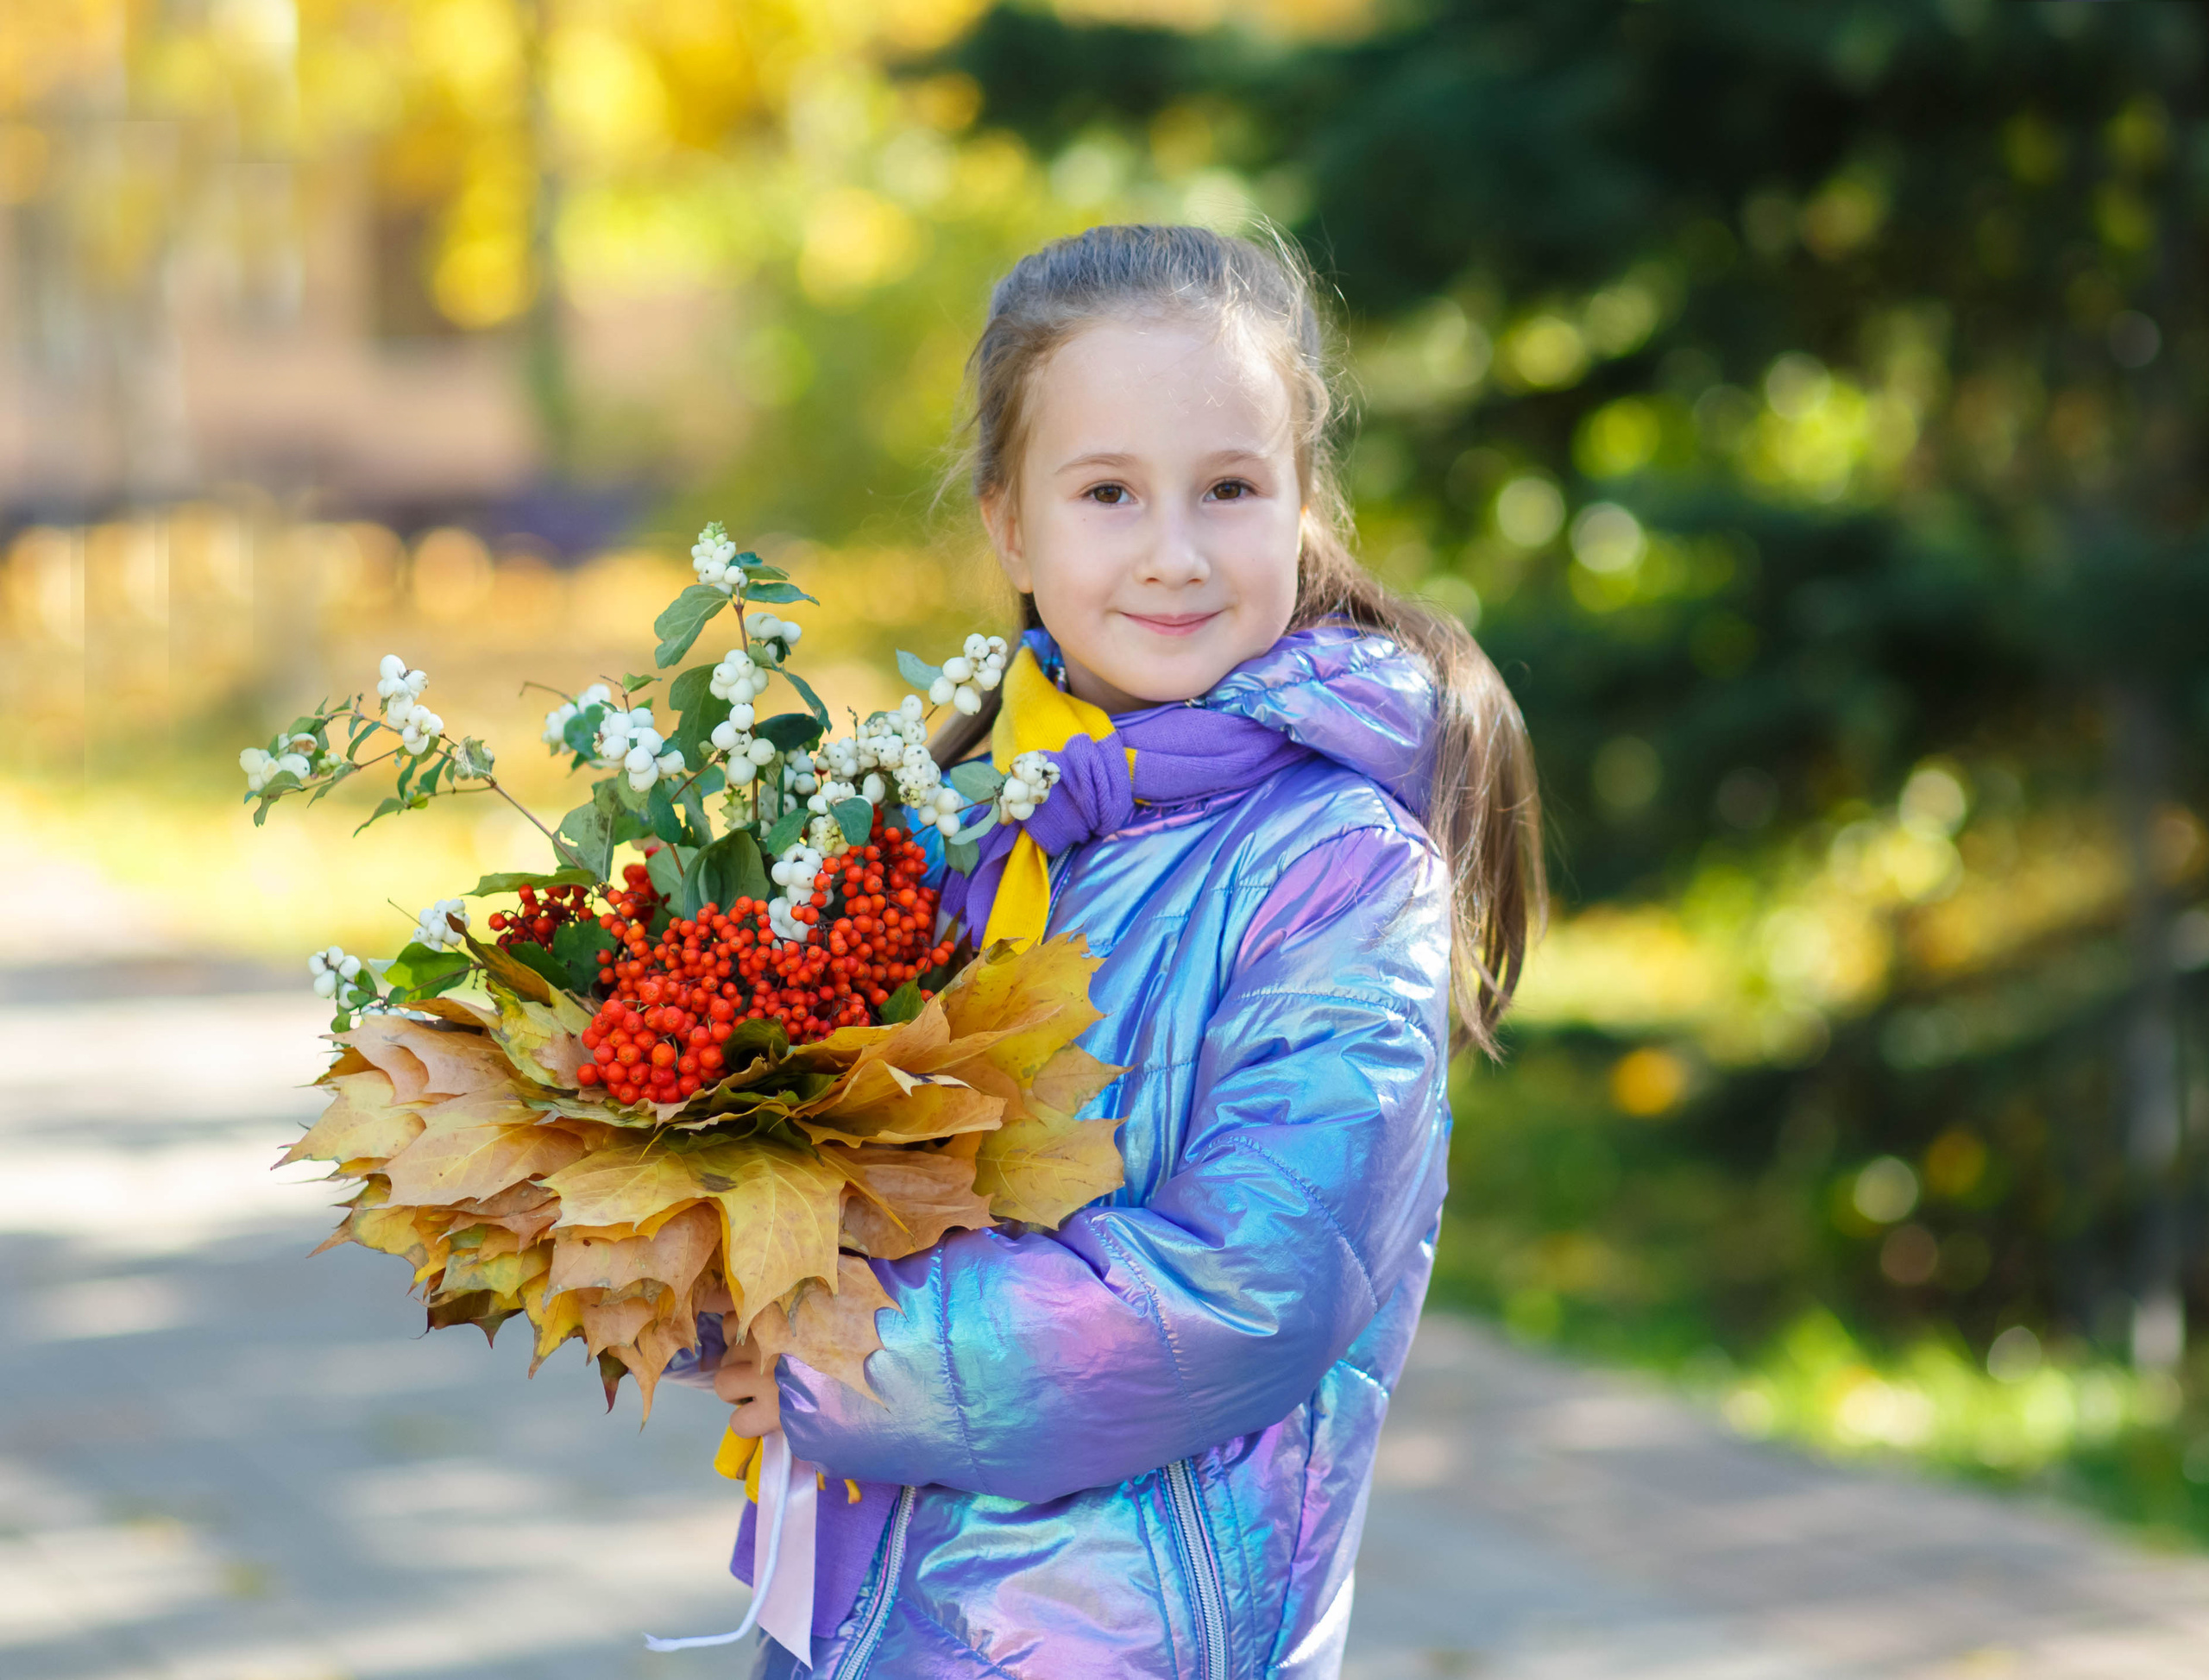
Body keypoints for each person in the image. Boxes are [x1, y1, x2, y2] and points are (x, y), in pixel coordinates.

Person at [673, 222, 1545, 1678]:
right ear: (1009, 522)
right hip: (859, 1632)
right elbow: (806, 1171)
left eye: (1228, 489)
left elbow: (1249, 1286)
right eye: (1108, 493)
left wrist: (835, 1358)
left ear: (1304, 503)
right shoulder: (952, 832)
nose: (1174, 552)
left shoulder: (1336, 869)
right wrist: (712, 1269)